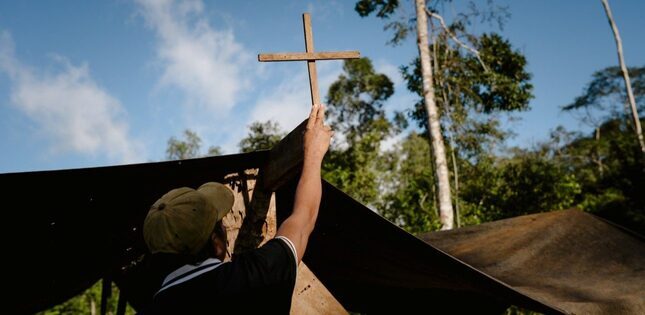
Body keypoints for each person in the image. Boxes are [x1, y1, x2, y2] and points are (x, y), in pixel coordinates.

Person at [140, 104, 332, 314]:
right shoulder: (256, 277)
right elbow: (303, 219)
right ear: (216, 242)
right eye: (220, 224)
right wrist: (313, 154)